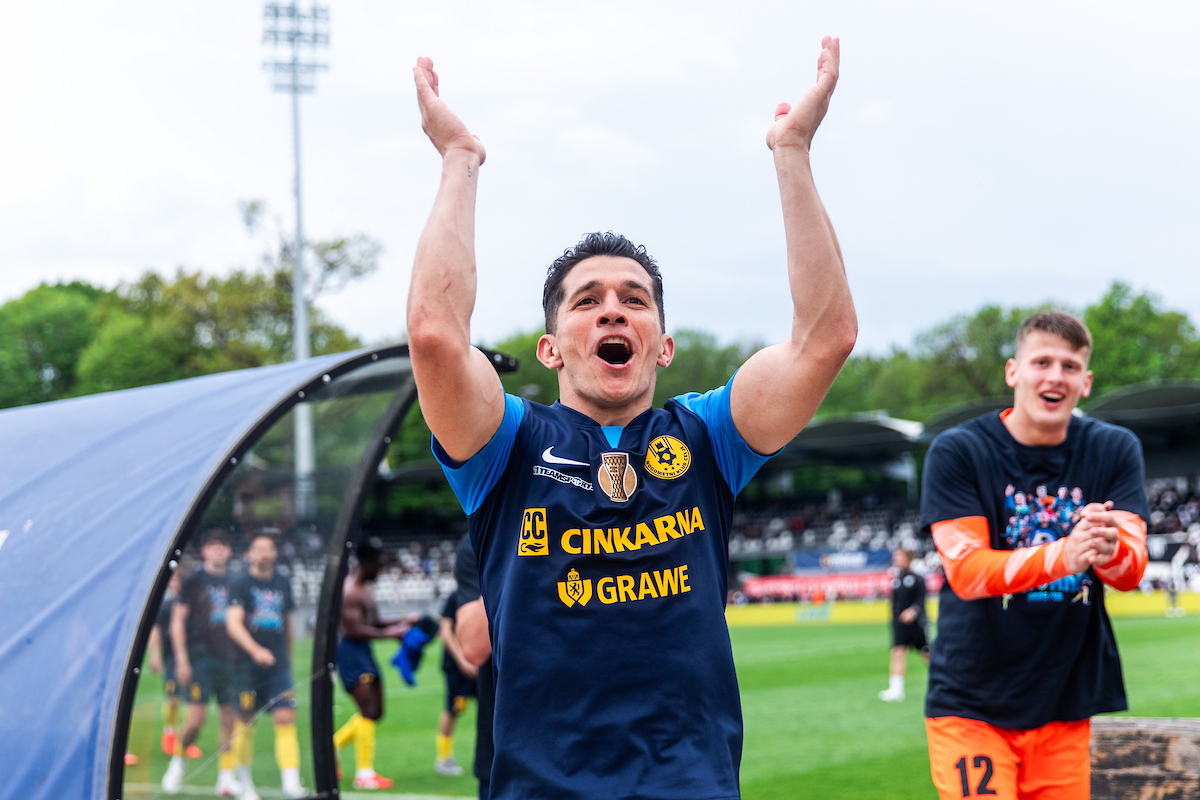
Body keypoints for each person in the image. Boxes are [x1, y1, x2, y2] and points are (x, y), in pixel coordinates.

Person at [407, 36, 856, 799]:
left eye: (634, 300)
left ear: (663, 345)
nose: (612, 309)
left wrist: (792, 153)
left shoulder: (707, 437)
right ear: (551, 348)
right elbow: (435, 337)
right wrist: (459, 158)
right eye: (587, 301)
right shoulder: (507, 444)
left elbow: (825, 340)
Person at [922, 312, 1149, 800]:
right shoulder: (958, 451)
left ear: (1086, 382)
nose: (1055, 376)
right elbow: (966, 571)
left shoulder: (1114, 448)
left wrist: (1109, 550)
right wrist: (1065, 555)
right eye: (1042, 362)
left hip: (1066, 700)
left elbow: (1130, 571)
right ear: (1013, 371)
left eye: (1070, 366)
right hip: (972, 702)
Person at [163, 529, 242, 796]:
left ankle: (226, 777)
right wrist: (181, 659)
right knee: (196, 720)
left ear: (229, 551)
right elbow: (177, 621)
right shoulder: (193, 580)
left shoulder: (236, 580)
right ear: (204, 551)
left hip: (230, 660)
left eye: (223, 545)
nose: (218, 549)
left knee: (230, 719)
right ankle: (179, 760)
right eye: (213, 545)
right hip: (200, 659)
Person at [226, 533, 304, 800]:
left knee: (285, 717)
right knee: (245, 721)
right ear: (249, 553)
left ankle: (291, 784)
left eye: (269, 548)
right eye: (259, 549)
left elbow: (288, 620)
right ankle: (244, 784)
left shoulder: (283, 581)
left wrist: (288, 657)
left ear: (275, 553)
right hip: (246, 666)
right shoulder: (240, 583)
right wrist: (255, 650)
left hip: (278, 665)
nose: (265, 553)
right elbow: (233, 623)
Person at [333, 540, 413, 790]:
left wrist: (402, 622)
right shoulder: (350, 592)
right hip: (350, 652)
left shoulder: (365, 589)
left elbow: (374, 622)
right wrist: (392, 634)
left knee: (376, 711)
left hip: (364, 651)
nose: (381, 570)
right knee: (367, 708)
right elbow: (354, 630)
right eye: (379, 565)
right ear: (366, 564)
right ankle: (364, 774)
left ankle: (333, 745)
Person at [434, 545, 479, 777]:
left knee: (491, 711)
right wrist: (463, 660)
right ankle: (443, 758)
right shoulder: (456, 596)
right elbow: (445, 630)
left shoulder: (483, 592)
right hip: (458, 667)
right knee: (453, 709)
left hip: (479, 666)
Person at [148, 570, 192, 758]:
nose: (174, 584)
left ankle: (185, 738)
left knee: (192, 700)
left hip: (193, 657)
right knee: (173, 699)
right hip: (172, 658)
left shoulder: (192, 603)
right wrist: (155, 656)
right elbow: (155, 631)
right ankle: (170, 732)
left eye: (177, 580)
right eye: (171, 581)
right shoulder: (165, 605)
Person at [878, 547, 929, 702]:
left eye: (899, 556)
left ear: (908, 558)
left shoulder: (917, 579)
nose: (895, 559)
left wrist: (913, 611)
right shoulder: (896, 580)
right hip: (900, 625)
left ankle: (944, 682)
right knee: (898, 653)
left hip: (917, 625)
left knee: (928, 655)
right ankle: (896, 689)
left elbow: (921, 599)